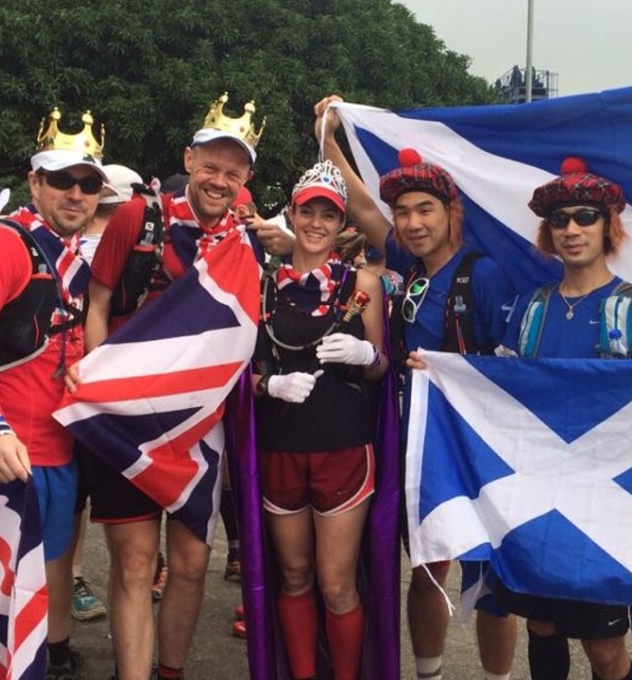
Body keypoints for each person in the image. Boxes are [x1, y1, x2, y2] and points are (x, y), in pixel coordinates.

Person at [316, 95, 518, 680]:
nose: (412, 223)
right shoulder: (406, 266)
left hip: (476, 446)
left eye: (425, 209)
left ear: (451, 213)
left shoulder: (482, 274)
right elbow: (360, 204)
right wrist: (328, 135)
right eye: (403, 212)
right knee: (428, 564)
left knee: (489, 577)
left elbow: (513, 368)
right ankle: (428, 673)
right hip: (413, 442)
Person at [85, 93, 263, 680]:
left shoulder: (247, 236)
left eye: (232, 173)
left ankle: (171, 671)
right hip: (129, 417)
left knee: (189, 564)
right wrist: (98, 388)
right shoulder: (141, 217)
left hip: (200, 427)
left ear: (245, 181)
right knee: (136, 566)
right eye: (210, 166)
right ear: (189, 160)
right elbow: (98, 302)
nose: (219, 181)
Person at [0, 107, 107, 678]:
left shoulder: (71, 258)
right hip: (1, 460)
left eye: (88, 184)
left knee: (50, 566)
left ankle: (52, 650)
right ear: (35, 182)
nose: (76, 194)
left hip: (55, 457)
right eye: (61, 180)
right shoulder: (4, 244)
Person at [494, 157, 632, 680]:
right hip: (537, 491)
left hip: (606, 498)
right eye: (560, 220)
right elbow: (500, 394)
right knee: (542, 625)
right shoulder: (531, 308)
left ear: (608, 226)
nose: (572, 229)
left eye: (585, 217)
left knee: (604, 647)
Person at [252, 159, 388, 680]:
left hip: (343, 448)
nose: (315, 223)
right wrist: (269, 385)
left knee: (336, 584)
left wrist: (364, 354)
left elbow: (380, 369)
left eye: (328, 215)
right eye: (307, 211)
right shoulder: (261, 285)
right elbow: (241, 372)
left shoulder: (364, 284)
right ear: (292, 213)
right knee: (293, 576)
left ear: (342, 224)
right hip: (280, 447)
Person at [69, 163, 143, 623]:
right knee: (72, 495)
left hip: (108, 386)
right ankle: (72, 579)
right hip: (74, 386)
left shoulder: (141, 241)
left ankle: (76, 579)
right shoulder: (59, 243)